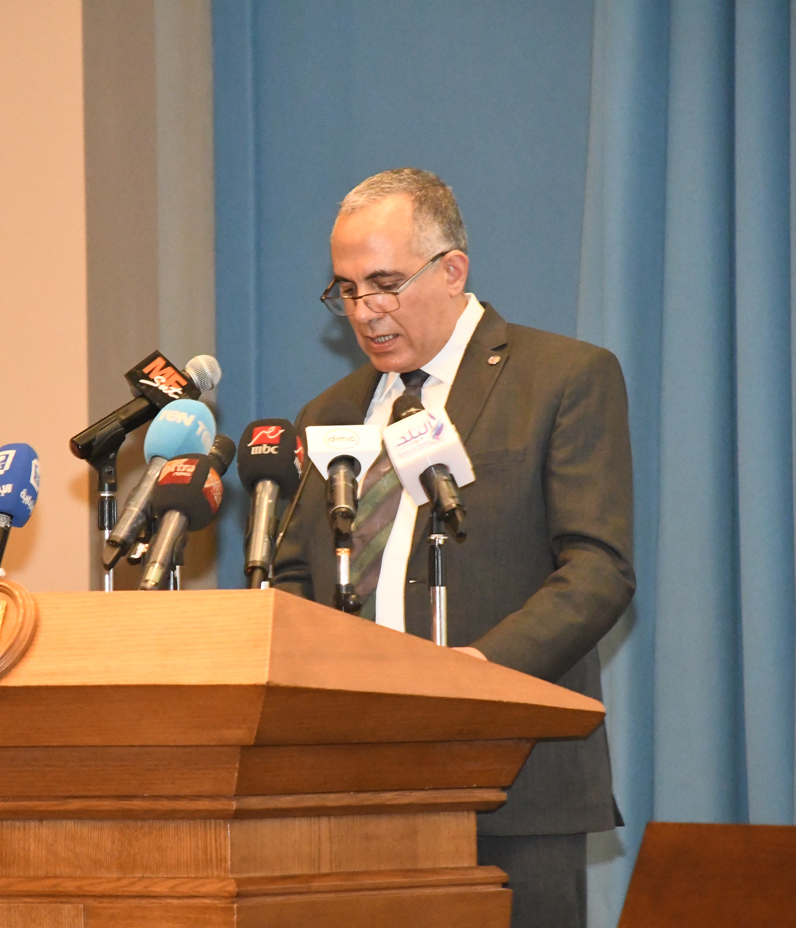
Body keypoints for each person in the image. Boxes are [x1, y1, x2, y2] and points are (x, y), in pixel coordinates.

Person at [272, 168, 635, 928]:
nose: (364, 312)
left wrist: (481, 672)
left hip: (512, 776)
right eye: (346, 291)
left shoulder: (560, 378)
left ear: (453, 270)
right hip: (353, 780)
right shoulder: (328, 414)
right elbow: (296, 577)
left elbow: (598, 568)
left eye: (385, 284)